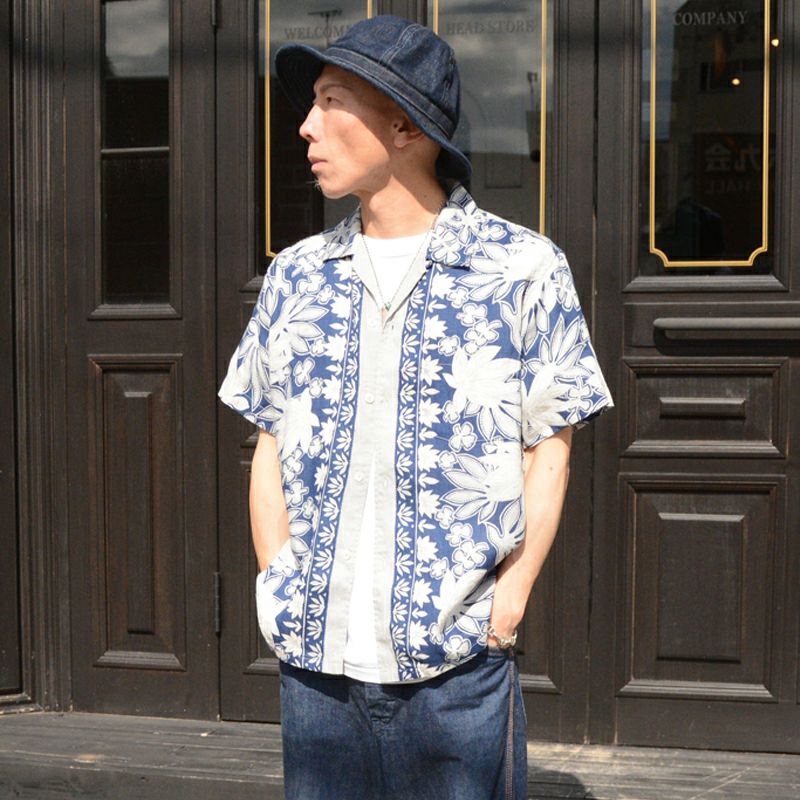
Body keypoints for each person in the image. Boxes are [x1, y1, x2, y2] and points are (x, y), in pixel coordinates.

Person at [219, 15, 613, 800]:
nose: (306, 126)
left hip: (455, 666)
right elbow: (269, 437)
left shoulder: (521, 269)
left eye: (332, 101)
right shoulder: (299, 274)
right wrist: (278, 580)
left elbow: (552, 445)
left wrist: (507, 606)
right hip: (316, 665)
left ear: (404, 125)